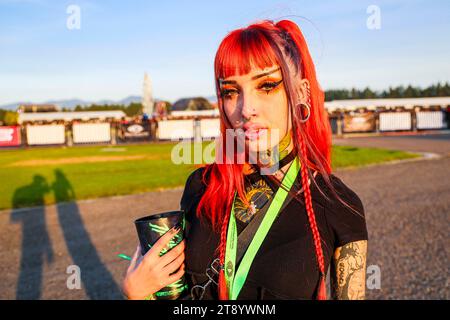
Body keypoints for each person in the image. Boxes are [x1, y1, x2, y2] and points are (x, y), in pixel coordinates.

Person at [122, 19, 368, 300]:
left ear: (300, 93)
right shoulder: (201, 187)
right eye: (230, 91)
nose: (246, 108)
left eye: (266, 85)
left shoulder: (339, 204)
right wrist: (139, 294)